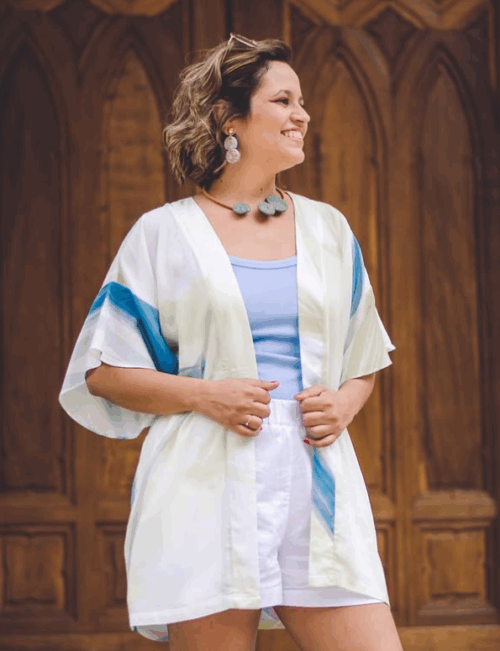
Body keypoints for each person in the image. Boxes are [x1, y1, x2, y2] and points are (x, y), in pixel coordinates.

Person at [59, 33, 403, 651]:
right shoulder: (161, 235)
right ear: (228, 119)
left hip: (317, 482)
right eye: (283, 100)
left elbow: (364, 354)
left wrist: (346, 403)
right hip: (203, 486)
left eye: (302, 101)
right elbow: (103, 371)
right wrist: (204, 395)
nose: (302, 115)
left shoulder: (329, 229)